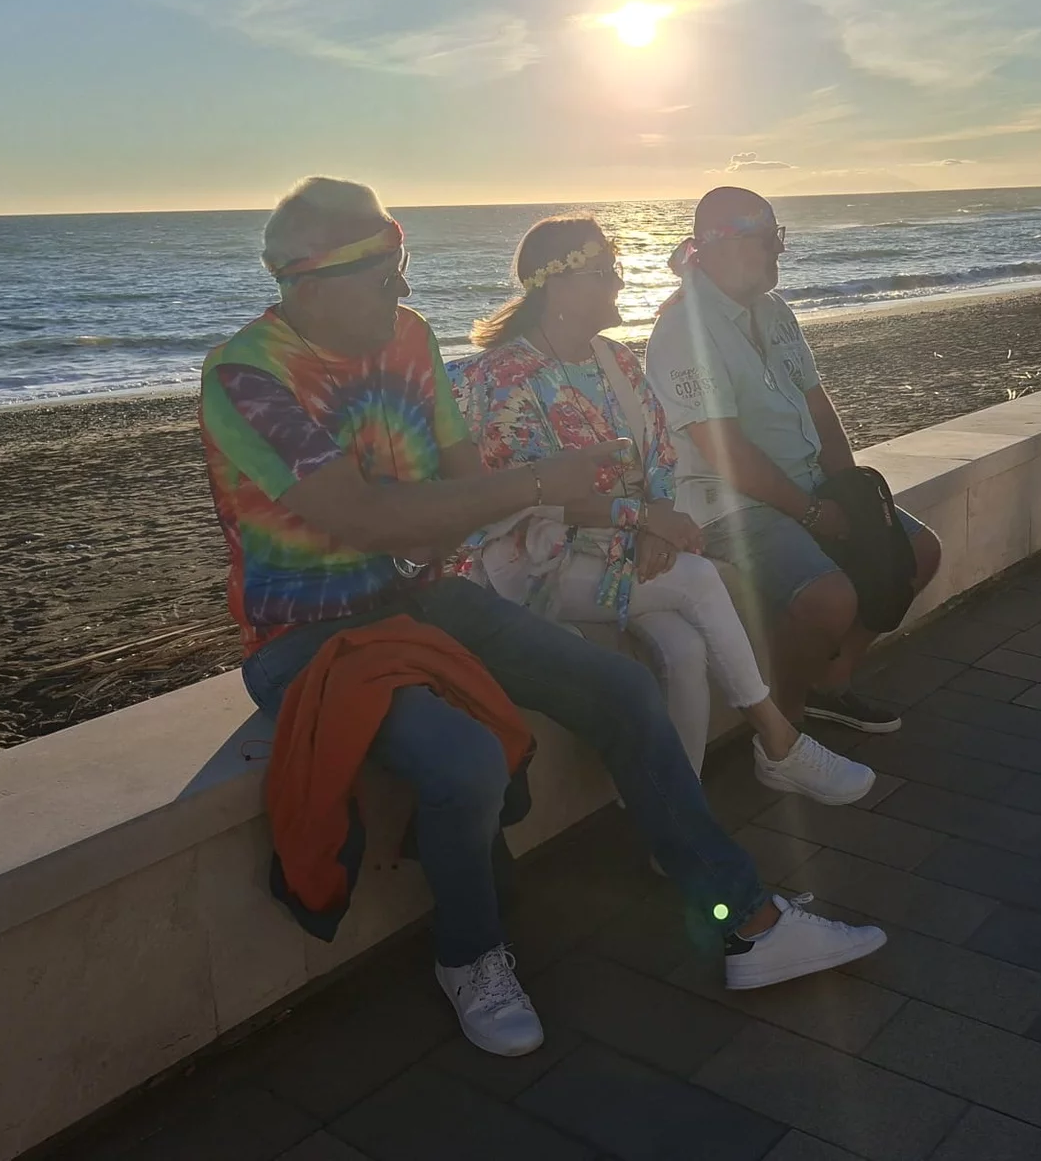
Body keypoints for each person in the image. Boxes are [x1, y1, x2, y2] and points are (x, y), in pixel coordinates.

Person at [200, 178, 885, 1059]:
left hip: (428, 596)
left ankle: (742, 918)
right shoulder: (247, 377)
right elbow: (370, 517)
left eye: (404, 263)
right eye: (383, 272)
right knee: (466, 758)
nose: (404, 287)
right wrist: (536, 486)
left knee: (623, 689)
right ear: (308, 280)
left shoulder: (408, 338)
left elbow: (457, 488)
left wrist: (506, 503)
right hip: (308, 637)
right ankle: (470, 955)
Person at [452, 215, 875, 805]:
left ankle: (675, 807)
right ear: (559, 286)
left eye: (617, 268)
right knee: (698, 578)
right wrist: (646, 521)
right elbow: (530, 495)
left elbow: (660, 457)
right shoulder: (503, 378)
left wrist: (655, 522)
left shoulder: (615, 362)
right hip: (540, 561)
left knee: (685, 649)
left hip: (623, 552)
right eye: (605, 272)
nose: (619, 282)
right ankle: (779, 742)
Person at [644, 186, 943, 734]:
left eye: (777, 236)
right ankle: (784, 732)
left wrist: (851, 490)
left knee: (918, 553)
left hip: (806, 483)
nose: (779, 250)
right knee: (829, 599)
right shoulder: (682, 331)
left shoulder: (774, 309)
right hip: (729, 503)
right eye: (766, 238)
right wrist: (812, 513)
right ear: (721, 244)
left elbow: (817, 404)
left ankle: (831, 684)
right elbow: (726, 451)